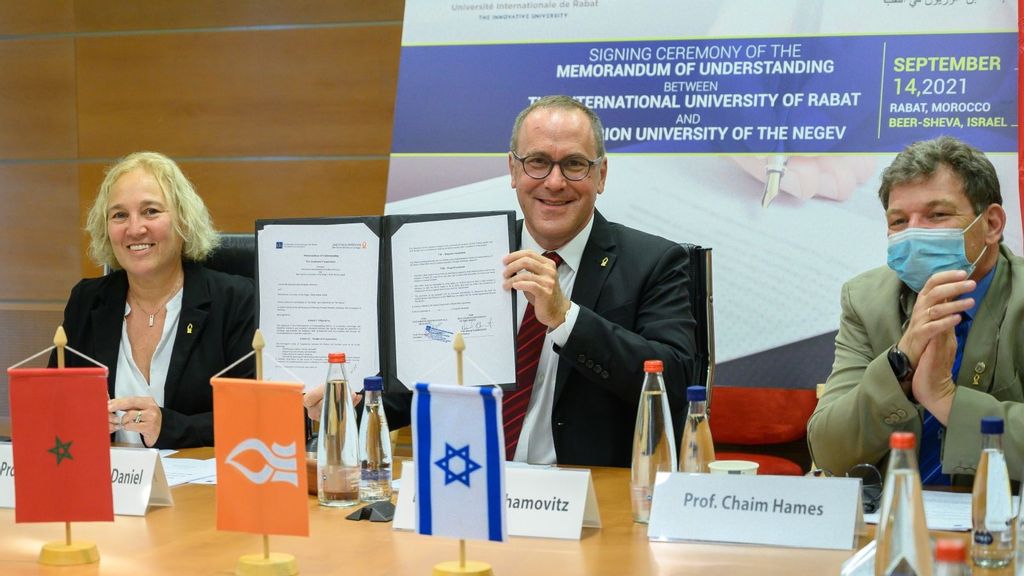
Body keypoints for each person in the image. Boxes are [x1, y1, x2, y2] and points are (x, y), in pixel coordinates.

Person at [306, 95, 698, 467]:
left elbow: (674, 382)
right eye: (538, 162)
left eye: (575, 164)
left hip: (586, 497)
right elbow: (410, 386)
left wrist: (567, 318)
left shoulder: (654, 262)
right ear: (513, 171)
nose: (555, 182)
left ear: (601, 174)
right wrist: (346, 408)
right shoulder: (465, 255)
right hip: (466, 484)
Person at [807, 136, 1024, 483]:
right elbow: (829, 452)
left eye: (937, 215)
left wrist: (946, 400)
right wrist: (900, 360)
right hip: (887, 519)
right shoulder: (866, 300)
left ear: (992, 224)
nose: (915, 234)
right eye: (899, 221)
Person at [56, 151, 256, 449]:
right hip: (111, 487)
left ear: (183, 222)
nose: (135, 228)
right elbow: (52, 409)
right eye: (120, 215)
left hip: (202, 490)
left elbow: (256, 418)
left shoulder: (236, 301)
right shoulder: (86, 301)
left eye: (151, 211)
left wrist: (170, 427)